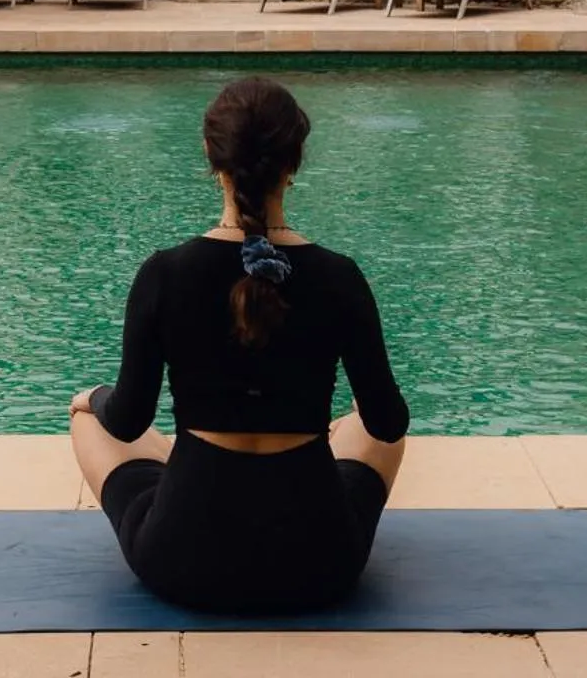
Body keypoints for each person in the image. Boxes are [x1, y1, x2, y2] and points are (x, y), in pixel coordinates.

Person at [69, 74, 409, 615]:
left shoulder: (165, 273)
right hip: (317, 564)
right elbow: (389, 422)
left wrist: (95, 396)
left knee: (90, 419)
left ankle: (175, 452)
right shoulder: (338, 276)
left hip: (186, 559)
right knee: (365, 429)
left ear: (211, 156)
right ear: (295, 161)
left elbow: (129, 419)